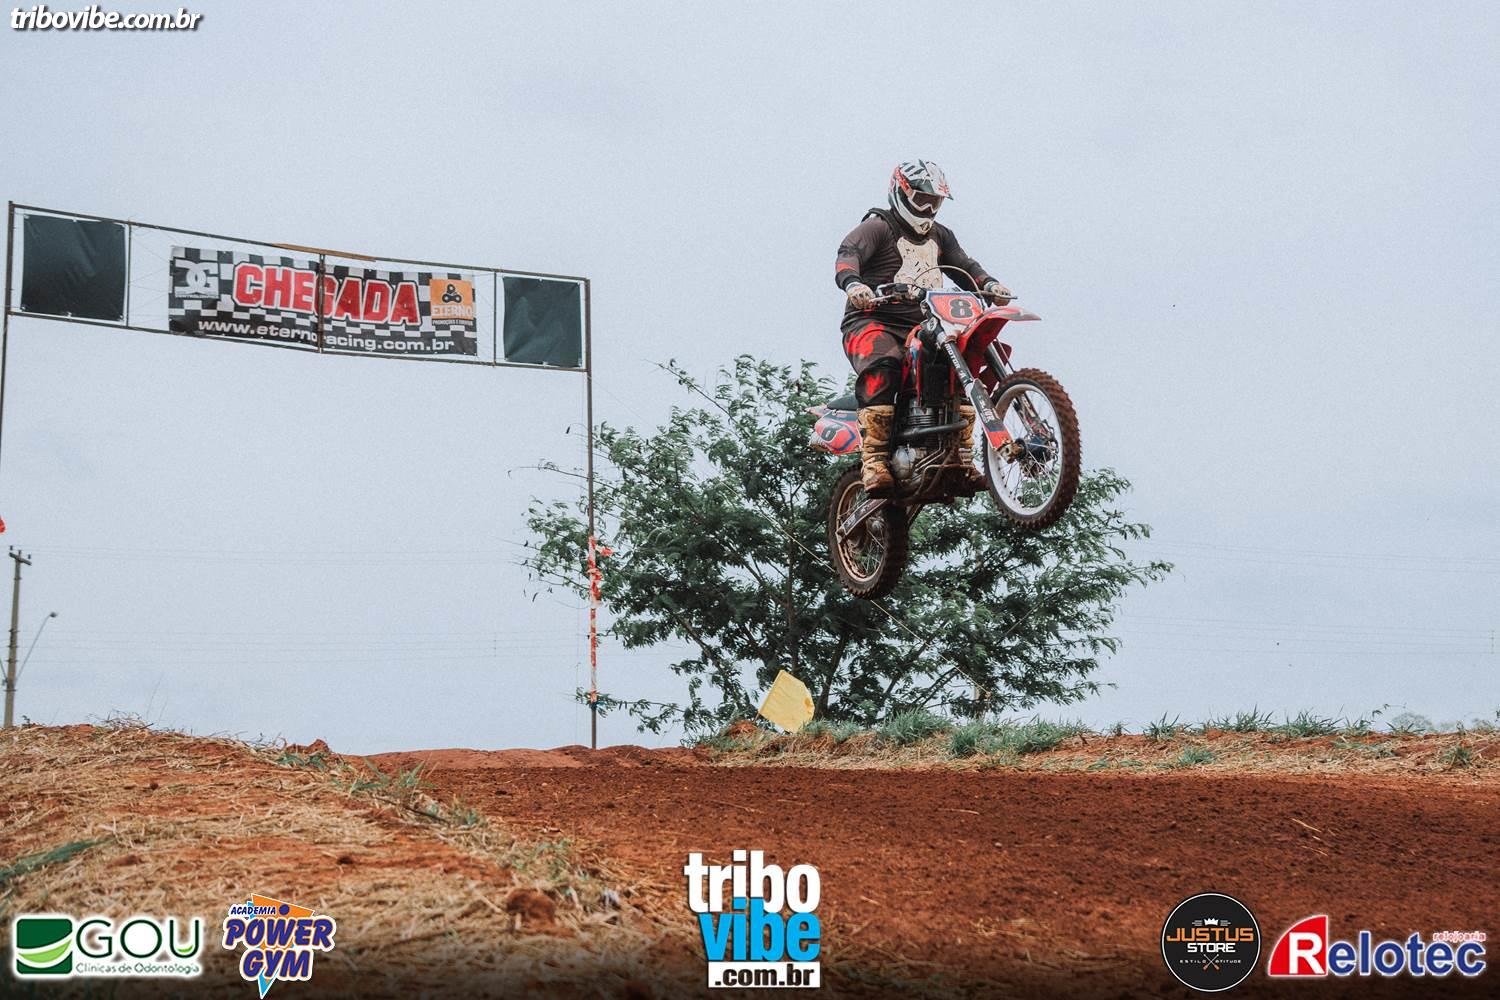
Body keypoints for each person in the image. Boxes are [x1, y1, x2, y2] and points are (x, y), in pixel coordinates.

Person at [835, 160, 1010, 496]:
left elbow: (963, 265)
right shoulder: (877, 227)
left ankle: (961, 455)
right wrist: (854, 284)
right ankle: (873, 461)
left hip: (925, 325)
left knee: (961, 365)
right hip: (873, 320)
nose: (928, 209)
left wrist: (988, 283)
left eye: (935, 202)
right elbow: (848, 253)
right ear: (901, 193)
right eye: (922, 199)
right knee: (884, 363)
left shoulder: (941, 235)